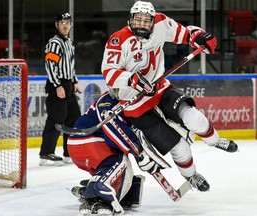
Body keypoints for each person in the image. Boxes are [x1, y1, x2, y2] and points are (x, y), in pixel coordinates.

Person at [101, 1, 238, 188]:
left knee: (194, 118)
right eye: (137, 20)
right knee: (180, 148)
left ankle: (214, 140)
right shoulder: (118, 40)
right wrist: (132, 79)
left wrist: (198, 36)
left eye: (145, 21)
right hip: (134, 104)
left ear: (152, 21)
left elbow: (184, 33)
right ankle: (191, 175)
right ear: (130, 20)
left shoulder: (160, 23)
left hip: (160, 88)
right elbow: (109, 72)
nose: (141, 24)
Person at [67, 90, 208, 215]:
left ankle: (90, 193)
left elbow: (130, 135)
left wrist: (142, 153)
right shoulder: (107, 103)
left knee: (124, 173)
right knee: (119, 161)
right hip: (85, 141)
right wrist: (139, 154)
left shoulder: (130, 103)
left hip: (87, 145)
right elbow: (115, 135)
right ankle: (98, 189)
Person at [39, 12, 81, 166]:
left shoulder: (69, 43)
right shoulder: (54, 43)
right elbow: (50, 66)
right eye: (62, 22)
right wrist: (57, 85)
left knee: (74, 118)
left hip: (68, 85)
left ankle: (68, 152)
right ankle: (46, 153)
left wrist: (74, 81)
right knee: (57, 118)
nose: (65, 25)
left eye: (68, 22)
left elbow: (71, 66)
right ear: (57, 25)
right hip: (57, 84)